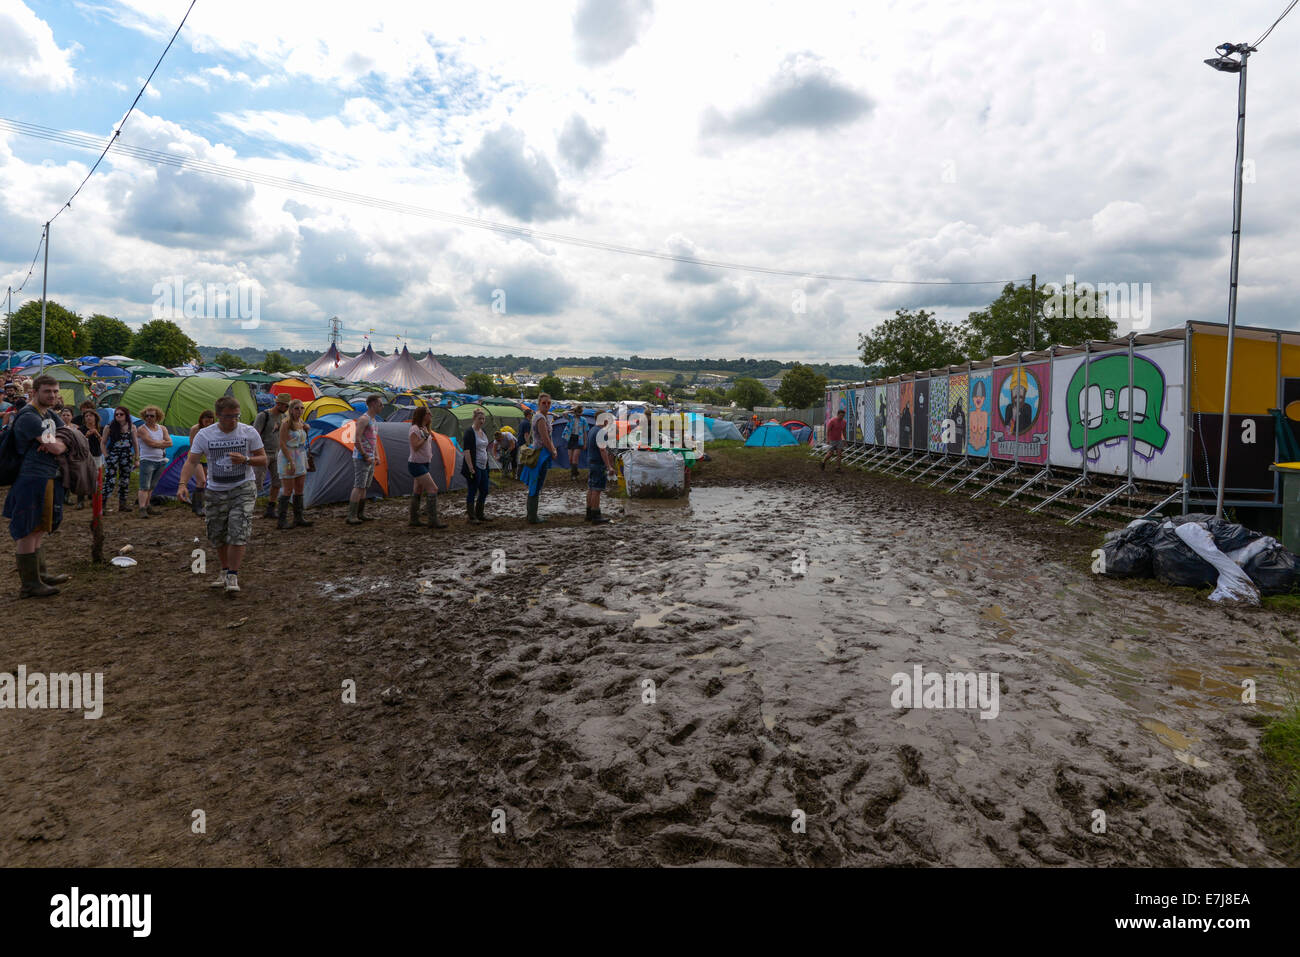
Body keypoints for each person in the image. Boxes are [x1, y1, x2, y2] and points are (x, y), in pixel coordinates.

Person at [177, 395, 266, 595]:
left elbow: (263, 458)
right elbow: (191, 461)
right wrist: (183, 484)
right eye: (228, 416)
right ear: (218, 416)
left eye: (236, 416)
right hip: (216, 489)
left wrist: (246, 459)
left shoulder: (248, 432)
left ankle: (233, 574)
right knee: (217, 533)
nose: (233, 420)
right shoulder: (205, 435)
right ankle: (224, 570)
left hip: (242, 487)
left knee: (238, 528)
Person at [5, 375, 69, 598]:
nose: (52, 395)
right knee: (27, 530)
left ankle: (41, 575)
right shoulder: (29, 417)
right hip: (30, 478)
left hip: (46, 476)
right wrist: (55, 443)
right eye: (47, 391)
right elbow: (58, 448)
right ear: (34, 392)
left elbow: (69, 433)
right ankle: (30, 584)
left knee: (40, 527)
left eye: (55, 391)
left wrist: (56, 441)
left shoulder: (48, 414)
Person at [406, 406, 447, 529]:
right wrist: (424, 437)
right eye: (429, 413)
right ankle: (432, 520)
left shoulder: (425, 428)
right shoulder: (414, 429)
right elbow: (415, 447)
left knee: (418, 490)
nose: (431, 416)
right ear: (423, 415)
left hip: (424, 463)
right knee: (433, 489)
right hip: (416, 464)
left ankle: (414, 519)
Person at [276, 398, 314, 530]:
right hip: (288, 456)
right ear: (291, 410)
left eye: (301, 408)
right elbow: (282, 443)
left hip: (300, 455)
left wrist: (306, 429)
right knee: (287, 489)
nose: (300, 410)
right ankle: (281, 520)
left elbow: (300, 438)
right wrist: (290, 461)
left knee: (299, 488)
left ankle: (299, 517)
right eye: (297, 408)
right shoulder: (286, 423)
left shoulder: (301, 422)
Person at [519, 393, 556, 524]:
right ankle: (532, 516)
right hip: (540, 454)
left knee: (537, 484)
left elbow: (548, 438)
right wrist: (552, 451)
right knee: (535, 484)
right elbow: (545, 438)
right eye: (544, 403)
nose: (546, 405)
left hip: (542, 454)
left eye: (549, 403)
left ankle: (532, 515)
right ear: (539, 404)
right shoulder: (540, 417)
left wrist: (552, 449)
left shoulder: (543, 417)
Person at [347, 394, 383, 525]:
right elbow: (356, 439)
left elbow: (374, 440)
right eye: (380, 404)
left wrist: (376, 455)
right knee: (358, 486)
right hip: (361, 458)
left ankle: (360, 513)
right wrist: (365, 455)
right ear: (373, 404)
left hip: (370, 457)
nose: (382, 407)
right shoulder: (363, 419)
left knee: (364, 487)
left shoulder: (374, 420)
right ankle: (351, 515)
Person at [253, 393, 290, 519]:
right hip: (263, 453)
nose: (287, 408)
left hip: (277, 453)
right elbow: (255, 434)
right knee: (258, 481)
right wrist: (257, 451)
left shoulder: (284, 417)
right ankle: (249, 507)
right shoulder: (264, 416)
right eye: (286, 406)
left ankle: (271, 508)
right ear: (278, 404)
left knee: (277, 482)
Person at [134, 405, 170, 517]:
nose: (149, 418)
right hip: (147, 460)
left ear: (157, 417)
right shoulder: (142, 429)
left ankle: (147, 505)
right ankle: (142, 509)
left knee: (151, 486)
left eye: (152, 416)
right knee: (144, 486)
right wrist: (162, 443)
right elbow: (150, 443)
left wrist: (157, 444)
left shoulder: (162, 428)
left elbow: (170, 443)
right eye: (147, 416)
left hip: (160, 460)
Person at [461, 406, 493, 523]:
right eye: (480, 418)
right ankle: (471, 516)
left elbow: (485, 449)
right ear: (474, 418)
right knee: (473, 490)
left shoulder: (482, 431)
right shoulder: (469, 432)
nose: (482, 421)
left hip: (484, 465)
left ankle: (480, 513)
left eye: (483, 419)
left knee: (484, 490)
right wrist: (470, 467)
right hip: (474, 466)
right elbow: (467, 451)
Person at [102, 406, 136, 512]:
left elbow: (135, 443)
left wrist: (137, 458)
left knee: (125, 480)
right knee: (110, 480)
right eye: (117, 414)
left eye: (121, 414)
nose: (119, 416)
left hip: (127, 455)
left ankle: (122, 504)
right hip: (113, 455)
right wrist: (106, 456)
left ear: (126, 415)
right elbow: (103, 443)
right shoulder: (109, 427)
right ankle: (103, 504)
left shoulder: (132, 427)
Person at [584, 415, 615, 524]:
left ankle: (589, 514)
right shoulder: (601, 432)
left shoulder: (592, 429)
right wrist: (609, 466)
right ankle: (596, 515)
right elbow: (602, 450)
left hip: (591, 461)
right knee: (597, 490)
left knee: (591, 488)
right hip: (598, 463)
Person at [187, 409, 215, 517]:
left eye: (210, 421)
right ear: (201, 420)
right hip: (196, 457)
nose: (208, 423)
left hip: (207, 458)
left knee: (205, 482)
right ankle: (197, 507)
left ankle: (200, 505)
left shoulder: (213, 429)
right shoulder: (195, 428)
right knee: (201, 481)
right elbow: (192, 445)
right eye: (206, 421)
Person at [77, 409, 104, 510]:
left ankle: (94, 500)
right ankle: (80, 501)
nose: (88, 418)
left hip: (97, 455)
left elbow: (104, 443)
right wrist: (86, 436)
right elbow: (79, 443)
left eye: (90, 416)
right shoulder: (81, 429)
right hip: (84, 456)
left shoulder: (101, 428)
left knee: (95, 478)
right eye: (86, 416)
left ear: (95, 417)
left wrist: (97, 434)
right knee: (83, 477)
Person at [566, 405, 586, 480]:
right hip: (570, 438)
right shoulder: (571, 418)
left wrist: (585, 443)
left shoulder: (583, 420)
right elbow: (564, 414)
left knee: (575, 458)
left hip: (579, 439)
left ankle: (573, 475)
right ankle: (575, 472)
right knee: (570, 459)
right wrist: (572, 411)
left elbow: (585, 432)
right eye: (578, 412)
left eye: (580, 412)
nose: (579, 413)